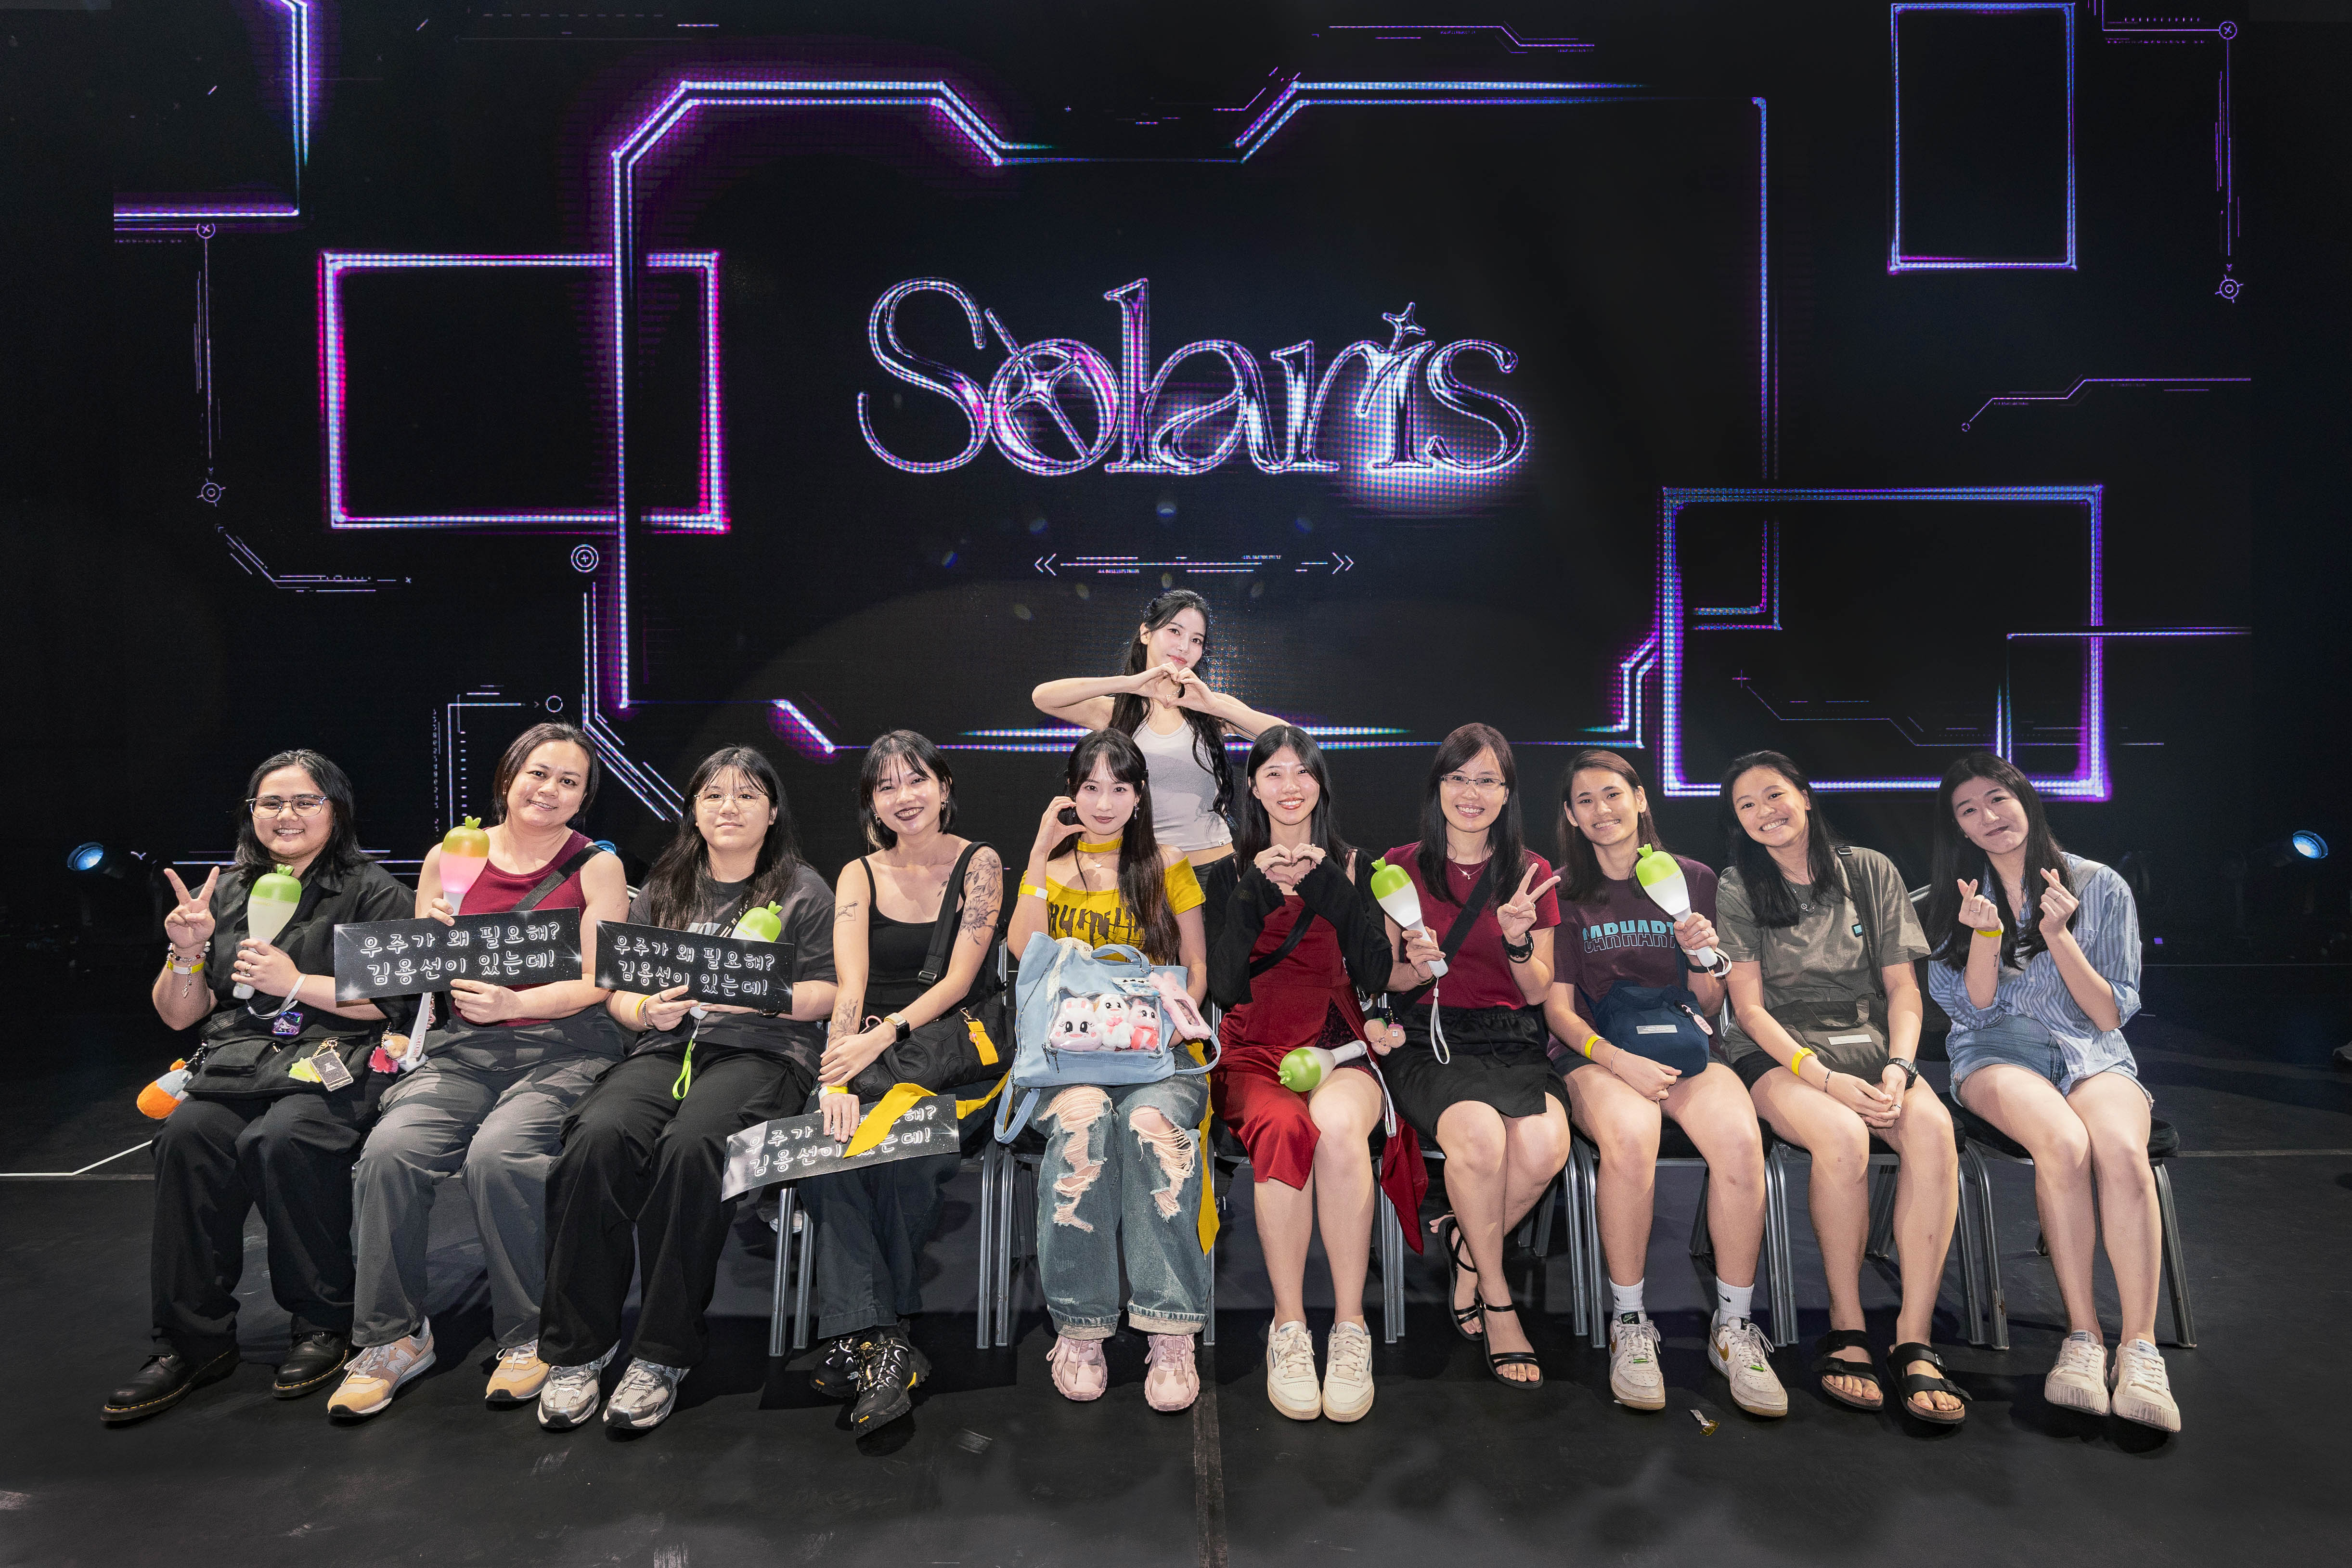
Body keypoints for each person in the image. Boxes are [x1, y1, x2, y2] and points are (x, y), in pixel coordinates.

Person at [328, 724, 630, 1420]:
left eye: (569, 781)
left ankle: (529, 1334)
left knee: (500, 1154)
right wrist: (432, 937)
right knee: (390, 1151)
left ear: (584, 797)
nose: (549, 790)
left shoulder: (597, 867)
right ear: (508, 776)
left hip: (566, 1048)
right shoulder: (450, 854)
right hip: (464, 1049)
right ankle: (392, 1337)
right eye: (538, 773)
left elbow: (601, 977)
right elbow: (422, 972)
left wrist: (516, 1003)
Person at [102, 750, 413, 1424]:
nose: (286, 815)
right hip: (241, 1060)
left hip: (336, 1058)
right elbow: (180, 1015)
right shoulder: (227, 891)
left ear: (336, 810)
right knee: (186, 1136)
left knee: (286, 1137)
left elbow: (395, 1003)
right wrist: (186, 950)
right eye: (271, 802)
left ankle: (323, 1322)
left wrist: (295, 982)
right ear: (251, 813)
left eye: (305, 801)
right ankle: (193, 1341)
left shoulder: (373, 890)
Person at [534, 747, 838, 1434]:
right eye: (714, 795)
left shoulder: (803, 889)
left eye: (747, 795)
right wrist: (647, 1012)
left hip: (763, 1052)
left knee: (692, 1146)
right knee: (596, 1136)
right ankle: (579, 1348)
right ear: (693, 810)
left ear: (772, 812)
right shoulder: (664, 885)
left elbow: (828, 991)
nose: (729, 807)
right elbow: (618, 993)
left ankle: (662, 1352)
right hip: (667, 1046)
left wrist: (756, 996)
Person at [1923, 752, 2177, 1432]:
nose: (1987, 817)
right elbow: (1971, 1009)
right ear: (1958, 828)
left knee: (2121, 1151)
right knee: (2063, 1144)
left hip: (2090, 1051)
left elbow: (2109, 1013)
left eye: (1996, 799)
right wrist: (1984, 935)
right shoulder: (1948, 901)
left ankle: (2140, 1347)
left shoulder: (2099, 885)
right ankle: (2082, 1337)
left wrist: (2057, 936)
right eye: (1967, 810)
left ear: (2024, 800)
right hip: (1995, 1052)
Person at [1714, 750, 1964, 1425]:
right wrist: (1821, 1077)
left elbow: (1902, 989)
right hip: (1780, 1051)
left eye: (1773, 795)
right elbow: (1748, 1009)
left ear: (1804, 794)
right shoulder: (1739, 885)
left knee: (1932, 1130)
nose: (1764, 812)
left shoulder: (1869, 869)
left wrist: (1900, 1067)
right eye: (1746, 805)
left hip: (1871, 1043)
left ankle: (1913, 1339)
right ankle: (1847, 1326)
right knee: (1843, 1136)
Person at [1541, 750, 1783, 1418]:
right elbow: (1557, 1011)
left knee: (1740, 1142)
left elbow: (1707, 1003)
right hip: (1595, 1053)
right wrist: (1617, 1062)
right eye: (1585, 800)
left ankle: (1733, 1327)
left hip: (1680, 1044)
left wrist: (1702, 953)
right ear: (1570, 816)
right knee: (1630, 1137)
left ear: (1640, 799)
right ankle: (1629, 1323)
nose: (1602, 810)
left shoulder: (1693, 879)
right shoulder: (1560, 891)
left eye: (1612, 794)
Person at [1202, 726, 1420, 1423]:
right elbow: (1224, 986)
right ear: (1252, 787)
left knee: (1336, 1126)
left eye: (1302, 771)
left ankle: (1350, 1326)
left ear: (1320, 783)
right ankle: (1289, 1327)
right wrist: (1256, 892)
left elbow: (1375, 973)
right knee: (1282, 1125)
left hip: (1339, 1040)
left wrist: (1328, 885)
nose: (1288, 785)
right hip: (1253, 1045)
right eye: (1273, 773)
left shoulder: (1357, 865)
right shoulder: (1224, 873)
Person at [1007, 728, 1212, 1411]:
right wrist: (1037, 853)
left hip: (1159, 1054)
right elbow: (1023, 950)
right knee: (1085, 1121)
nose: (1103, 802)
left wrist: (1175, 1017)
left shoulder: (1166, 863)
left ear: (1138, 794)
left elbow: (1197, 965)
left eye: (1118, 787)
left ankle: (1170, 1327)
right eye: (1090, 787)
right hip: (1067, 1060)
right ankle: (1080, 1326)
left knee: (1151, 1126)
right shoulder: (1051, 866)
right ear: (1070, 792)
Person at [807, 731, 1005, 1435]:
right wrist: (836, 1074)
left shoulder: (980, 863)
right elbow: (851, 983)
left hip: (952, 1054)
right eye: (886, 785)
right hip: (868, 1052)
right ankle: (884, 1341)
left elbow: (957, 980)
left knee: (904, 1156)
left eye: (916, 779)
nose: (904, 796)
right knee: (828, 1143)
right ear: (871, 801)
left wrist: (882, 1036)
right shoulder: (857, 873)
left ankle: (863, 1333)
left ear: (943, 787)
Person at [1366, 723, 1569, 1389]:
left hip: (1508, 1035)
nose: (1471, 793)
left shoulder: (1530, 872)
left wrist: (1517, 942)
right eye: (1458, 778)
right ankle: (1498, 1298)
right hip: (1427, 1035)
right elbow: (1383, 979)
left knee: (1544, 1146)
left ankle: (1465, 1246)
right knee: (1480, 1141)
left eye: (1487, 780)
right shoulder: (1398, 866)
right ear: (1438, 787)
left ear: (1507, 793)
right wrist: (1416, 965)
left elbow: (1536, 990)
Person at [1030, 587, 1281, 868]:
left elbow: (1291, 740)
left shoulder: (1212, 707)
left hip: (1212, 867)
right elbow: (1043, 697)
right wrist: (1129, 684)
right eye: (1175, 631)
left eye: (1196, 640)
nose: (1184, 647)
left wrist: (1215, 707)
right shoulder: (1116, 712)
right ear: (1146, 633)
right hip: (1141, 869)